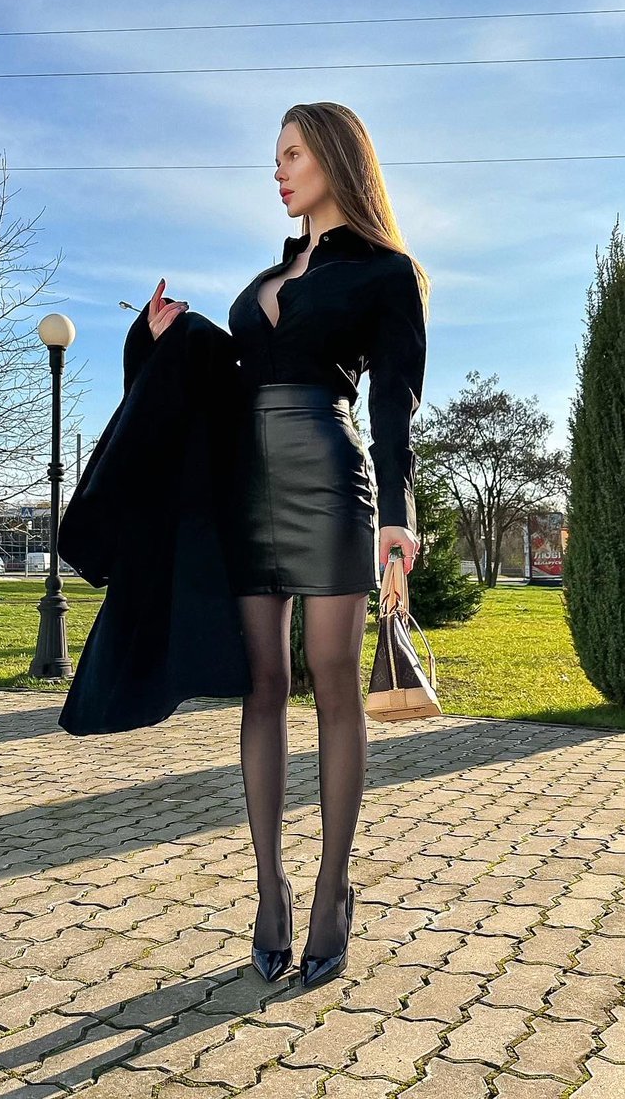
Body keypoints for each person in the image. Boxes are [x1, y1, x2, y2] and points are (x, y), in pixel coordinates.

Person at [148, 102, 429, 989]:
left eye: (293, 154)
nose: (277, 171)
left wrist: (397, 513)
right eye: (275, 157)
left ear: (336, 158)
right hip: (247, 486)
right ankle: (269, 887)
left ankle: (331, 888)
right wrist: (172, 339)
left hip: (328, 478)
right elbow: (236, 375)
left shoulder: (386, 272)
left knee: (330, 677)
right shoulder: (270, 273)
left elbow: (394, 403)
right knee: (262, 682)